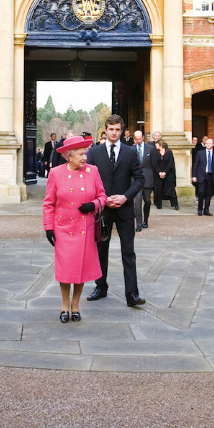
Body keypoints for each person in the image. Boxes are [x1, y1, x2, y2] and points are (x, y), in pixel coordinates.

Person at [42, 135, 107, 322]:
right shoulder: (56, 173)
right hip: (63, 228)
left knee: (81, 269)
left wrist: (93, 205)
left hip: (85, 228)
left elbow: (103, 197)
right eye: (80, 154)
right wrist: (48, 227)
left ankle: (76, 306)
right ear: (69, 156)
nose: (85, 157)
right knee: (66, 269)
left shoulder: (93, 171)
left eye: (85, 153)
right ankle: (64, 306)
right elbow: (48, 203)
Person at [86, 114, 145, 307]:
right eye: (111, 129)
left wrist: (125, 197)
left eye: (117, 130)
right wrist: (103, 200)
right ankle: (100, 286)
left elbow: (139, 179)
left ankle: (132, 293)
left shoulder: (130, 152)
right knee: (101, 250)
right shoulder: (94, 153)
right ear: (105, 130)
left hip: (124, 209)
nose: (114, 133)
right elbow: (88, 181)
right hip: (102, 210)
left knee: (128, 251)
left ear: (122, 131)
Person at [192, 137, 214, 216]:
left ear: (212, 144)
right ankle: (199, 209)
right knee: (201, 193)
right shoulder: (200, 153)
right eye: (206, 143)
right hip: (201, 175)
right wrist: (194, 176)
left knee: (209, 194)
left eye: (209, 143)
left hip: (211, 176)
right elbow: (195, 165)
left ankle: (206, 210)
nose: (207, 145)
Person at [133, 130, 155, 231]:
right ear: (134, 139)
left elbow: (154, 165)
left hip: (148, 178)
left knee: (147, 201)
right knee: (137, 202)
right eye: (136, 139)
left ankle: (145, 220)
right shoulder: (131, 150)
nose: (138, 140)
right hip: (136, 180)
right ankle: (139, 224)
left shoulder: (150, 149)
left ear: (143, 138)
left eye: (140, 138)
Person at [154, 139, 178, 210]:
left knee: (171, 189)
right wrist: (159, 172)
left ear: (160, 145)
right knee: (159, 188)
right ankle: (159, 204)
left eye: (157, 144)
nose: (155, 145)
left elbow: (170, 163)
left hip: (168, 173)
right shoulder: (155, 152)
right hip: (158, 173)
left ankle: (175, 204)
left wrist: (165, 172)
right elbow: (155, 163)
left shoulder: (169, 152)